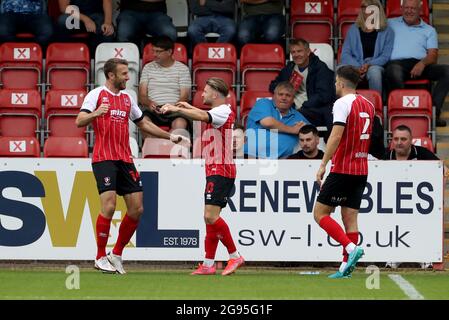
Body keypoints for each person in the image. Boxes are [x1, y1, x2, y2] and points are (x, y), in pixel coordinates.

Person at [75, 58, 187, 274]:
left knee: (137, 209)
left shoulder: (127, 99)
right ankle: (100, 257)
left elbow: (143, 123)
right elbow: (79, 120)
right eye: (124, 73)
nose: (128, 77)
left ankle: (116, 254)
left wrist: (169, 136)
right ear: (111, 76)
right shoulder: (96, 95)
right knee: (108, 206)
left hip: (125, 159)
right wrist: (96, 113)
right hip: (104, 158)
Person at [161, 77, 245, 276]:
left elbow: (202, 116)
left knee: (210, 216)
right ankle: (208, 264)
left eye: (205, 91)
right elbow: (203, 114)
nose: (203, 94)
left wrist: (177, 109)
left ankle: (234, 255)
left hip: (221, 169)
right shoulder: (219, 111)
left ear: (215, 94)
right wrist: (187, 106)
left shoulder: (223, 110)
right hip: (215, 168)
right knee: (209, 219)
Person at [313, 65, 375, 279]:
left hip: (343, 168)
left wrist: (323, 163)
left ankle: (350, 248)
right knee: (350, 218)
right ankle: (344, 269)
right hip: (361, 169)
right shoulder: (369, 104)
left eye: (336, 81)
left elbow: (336, 136)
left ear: (339, 81)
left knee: (320, 214)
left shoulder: (342, 103)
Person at [383, 124, 448, 270]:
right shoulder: (386, 157)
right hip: (394, 204)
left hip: (420, 205)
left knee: (424, 224)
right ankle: (393, 257)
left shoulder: (423, 153)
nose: (399, 142)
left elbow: (444, 170)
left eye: (403, 139)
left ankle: (424, 257)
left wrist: (439, 189)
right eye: (396, 139)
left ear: (411, 140)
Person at [385, 0, 449, 127]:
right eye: (406, 8)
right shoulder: (390, 23)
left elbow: (433, 55)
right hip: (396, 64)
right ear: (401, 8)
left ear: (420, 11)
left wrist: (422, 63)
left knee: (447, 71)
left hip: (420, 65)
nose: (409, 11)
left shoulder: (429, 30)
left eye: (413, 8)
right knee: (393, 71)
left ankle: (433, 113)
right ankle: (401, 112)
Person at [269, 38, 335, 134]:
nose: (296, 55)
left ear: (308, 52)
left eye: (299, 51)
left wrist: (304, 106)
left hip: (312, 109)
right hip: (292, 107)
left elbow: (324, 95)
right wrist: (286, 87)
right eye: (293, 52)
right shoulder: (289, 68)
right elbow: (273, 85)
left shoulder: (320, 68)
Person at [139, 36, 191, 138]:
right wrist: (149, 103)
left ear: (169, 51)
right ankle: (155, 150)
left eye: (158, 51)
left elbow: (184, 97)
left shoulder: (182, 69)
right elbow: (142, 95)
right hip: (152, 110)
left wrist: (172, 108)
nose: (154, 54)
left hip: (175, 110)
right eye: (153, 51)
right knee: (144, 123)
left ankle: (165, 148)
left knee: (180, 125)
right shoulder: (148, 67)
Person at [340, 0, 394, 97]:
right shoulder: (353, 29)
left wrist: (369, 64)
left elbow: (385, 56)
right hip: (355, 64)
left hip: (375, 65)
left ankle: (376, 106)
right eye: (364, 8)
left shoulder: (387, 31)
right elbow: (345, 54)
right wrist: (357, 67)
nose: (367, 11)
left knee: (374, 73)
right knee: (339, 70)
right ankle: (341, 105)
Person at [244, 81, 310, 159]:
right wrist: (293, 130)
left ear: (293, 99)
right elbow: (267, 122)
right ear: (274, 96)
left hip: (283, 162)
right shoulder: (263, 103)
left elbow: (310, 131)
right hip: (251, 158)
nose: (284, 98)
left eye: (288, 95)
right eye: (280, 94)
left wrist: (303, 130)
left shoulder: (297, 116)